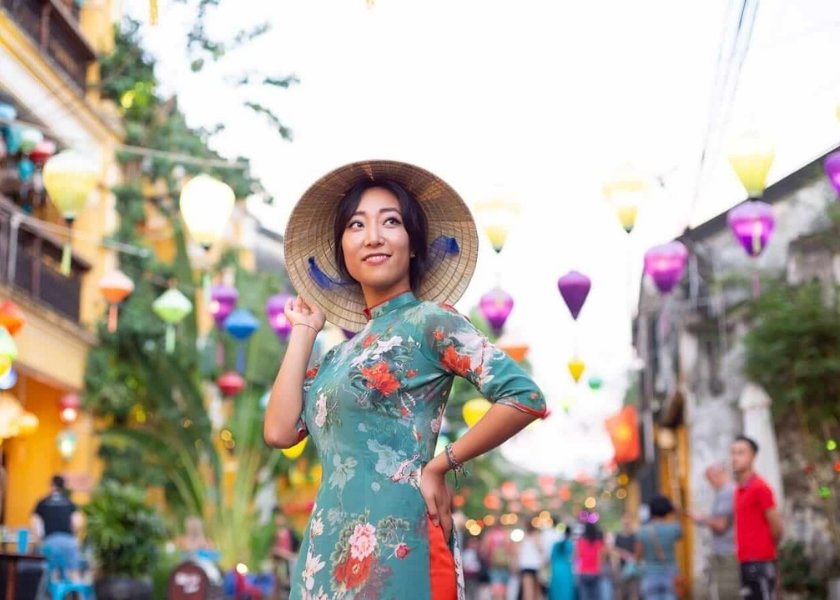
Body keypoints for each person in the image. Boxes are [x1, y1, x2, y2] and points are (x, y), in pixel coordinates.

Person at [263, 160, 548, 600]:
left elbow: (524, 396)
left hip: (400, 546)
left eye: (390, 222)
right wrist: (304, 330)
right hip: (323, 554)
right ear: (342, 250)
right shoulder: (338, 358)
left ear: (413, 245)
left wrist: (441, 463)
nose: (373, 236)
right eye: (356, 225)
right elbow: (280, 431)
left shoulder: (430, 321)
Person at [731, 435, 783, 599]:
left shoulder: (760, 487)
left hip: (761, 560)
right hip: (745, 560)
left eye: (741, 453)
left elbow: (776, 525)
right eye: (732, 453)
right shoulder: (739, 490)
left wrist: (765, 548)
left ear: (753, 456)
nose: (735, 457)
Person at [689, 462, 739, 600]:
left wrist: (701, 518)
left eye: (709, 479)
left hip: (728, 552)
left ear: (718, 474)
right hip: (726, 551)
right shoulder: (725, 492)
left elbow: (721, 525)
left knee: (727, 593)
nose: (709, 483)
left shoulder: (727, 492)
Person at [30, 475, 84, 578]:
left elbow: (34, 523)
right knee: (74, 572)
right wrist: (73, 535)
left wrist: (38, 541)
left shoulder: (43, 502)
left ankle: (54, 592)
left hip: (50, 540)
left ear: (52, 486)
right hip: (69, 541)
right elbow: (78, 522)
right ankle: (76, 592)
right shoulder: (69, 502)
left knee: (52, 573)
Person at [635, 494, 682, 600]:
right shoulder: (673, 529)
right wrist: (676, 510)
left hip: (650, 574)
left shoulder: (643, 531)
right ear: (668, 510)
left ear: (650, 510)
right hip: (670, 573)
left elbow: (638, 556)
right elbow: (680, 530)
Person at [575, 522, 604, 600]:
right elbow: (600, 559)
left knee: (584, 596)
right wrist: (600, 569)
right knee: (595, 596)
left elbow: (577, 557)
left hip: (583, 572)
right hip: (595, 572)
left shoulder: (581, 542)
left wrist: (577, 568)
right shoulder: (598, 543)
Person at [517, 521, 545, 600]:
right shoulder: (536, 537)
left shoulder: (523, 538)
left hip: (526, 565)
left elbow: (518, 552)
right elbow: (542, 551)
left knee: (528, 590)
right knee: (536, 590)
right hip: (535, 565)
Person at [613, 514, 639, 600]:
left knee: (634, 591)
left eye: (628, 521)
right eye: (625, 521)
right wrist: (624, 554)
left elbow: (639, 549)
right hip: (622, 567)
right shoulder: (618, 536)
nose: (626, 523)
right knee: (623, 592)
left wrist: (634, 557)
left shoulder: (635, 536)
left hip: (634, 567)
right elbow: (615, 550)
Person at [547, 526, 574, 600]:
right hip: (565, 569)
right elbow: (573, 557)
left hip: (556, 569)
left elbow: (551, 557)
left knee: (556, 589)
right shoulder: (570, 544)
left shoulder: (556, 544)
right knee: (566, 590)